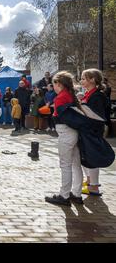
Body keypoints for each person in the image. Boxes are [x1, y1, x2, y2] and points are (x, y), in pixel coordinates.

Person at [45, 71, 83, 207]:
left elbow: (60, 115)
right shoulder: (70, 95)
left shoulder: (61, 97)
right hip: (73, 132)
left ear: (59, 84)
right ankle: (76, 193)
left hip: (65, 132)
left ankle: (64, 195)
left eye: (54, 84)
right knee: (75, 165)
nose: (53, 87)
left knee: (65, 165)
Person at [80, 69, 108, 197]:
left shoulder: (97, 96)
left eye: (84, 78)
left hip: (93, 131)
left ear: (92, 80)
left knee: (92, 158)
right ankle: (90, 181)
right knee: (85, 157)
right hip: (87, 130)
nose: (81, 81)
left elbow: (98, 116)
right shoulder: (88, 94)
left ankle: (94, 187)